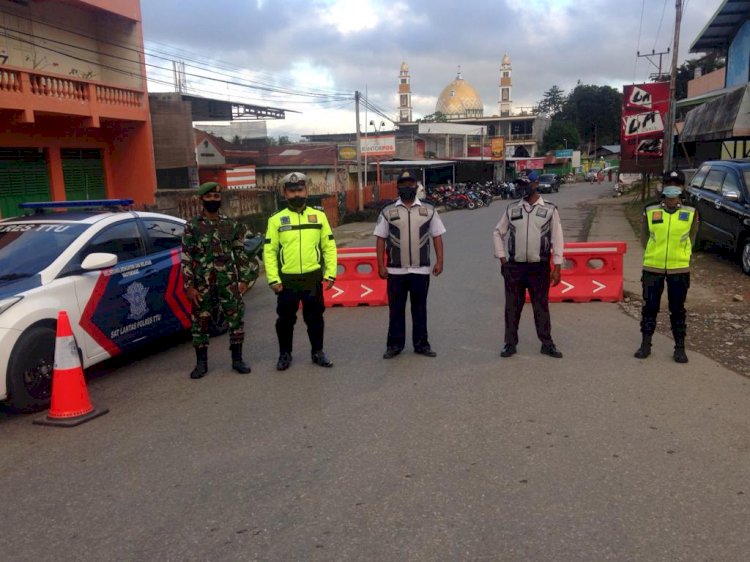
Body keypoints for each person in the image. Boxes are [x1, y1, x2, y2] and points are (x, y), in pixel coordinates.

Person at [264, 172, 337, 371]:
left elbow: (328, 247)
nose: (296, 194)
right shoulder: (276, 220)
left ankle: (317, 352)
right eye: (292, 191)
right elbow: (270, 251)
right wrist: (273, 279)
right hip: (287, 280)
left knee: (315, 319)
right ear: (285, 194)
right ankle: (284, 355)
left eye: (300, 190)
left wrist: (330, 273)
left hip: (312, 278)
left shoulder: (319, 216)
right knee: (285, 321)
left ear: (306, 191)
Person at [182, 181, 253, 379]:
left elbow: (240, 253)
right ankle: (201, 363)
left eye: (216, 197)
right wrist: (189, 286)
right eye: (209, 197)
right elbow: (186, 258)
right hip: (202, 284)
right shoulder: (192, 227)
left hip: (228, 282)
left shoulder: (231, 225)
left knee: (235, 319)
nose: (213, 200)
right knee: (200, 322)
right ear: (202, 199)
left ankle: (237, 360)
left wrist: (245, 279)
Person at [493, 170, 564, 359]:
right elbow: (497, 233)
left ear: (535, 184)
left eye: (525, 184)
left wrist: (557, 266)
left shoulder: (549, 209)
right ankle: (510, 344)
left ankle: (547, 344)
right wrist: (502, 259)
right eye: (519, 184)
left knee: (541, 307)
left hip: (539, 267)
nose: (521, 188)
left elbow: (557, 239)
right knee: (512, 308)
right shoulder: (512, 209)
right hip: (515, 267)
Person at [374, 169, 446, 359]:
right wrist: (381, 265)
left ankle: (422, 344)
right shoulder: (388, 211)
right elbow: (380, 239)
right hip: (395, 271)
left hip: (421, 270)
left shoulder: (429, 210)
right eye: (403, 184)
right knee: (396, 310)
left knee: (419, 309)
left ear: (417, 186)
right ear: (397, 187)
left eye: (411, 184)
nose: (407, 187)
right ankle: (394, 345)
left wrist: (440, 261)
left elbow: (437, 236)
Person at [634, 170, 699, 363]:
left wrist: (681, 255)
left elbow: (692, 238)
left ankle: (679, 348)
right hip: (652, 266)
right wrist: (657, 253)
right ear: (663, 186)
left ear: (683, 187)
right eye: (669, 183)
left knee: (677, 309)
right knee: (650, 307)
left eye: (676, 183)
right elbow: (644, 238)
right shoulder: (650, 210)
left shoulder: (692, 211)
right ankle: (645, 345)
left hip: (679, 268)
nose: (672, 187)